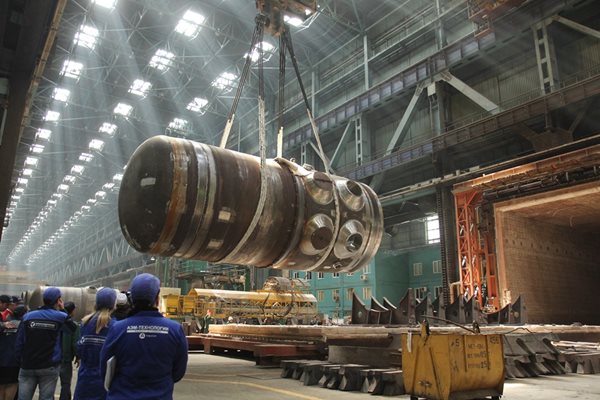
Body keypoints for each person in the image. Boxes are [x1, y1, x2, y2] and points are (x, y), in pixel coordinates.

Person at [100, 273, 188, 400]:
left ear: (132, 299)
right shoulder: (174, 330)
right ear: (157, 299)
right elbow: (178, 372)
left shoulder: (117, 329)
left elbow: (105, 368)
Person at [15, 287, 77, 400]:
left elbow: (19, 342)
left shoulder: (28, 316)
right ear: (58, 301)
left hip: (28, 365)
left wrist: (21, 361)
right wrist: (63, 310)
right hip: (49, 366)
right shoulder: (60, 317)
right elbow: (72, 329)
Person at [74, 288, 117, 400]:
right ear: (113, 305)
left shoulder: (85, 323)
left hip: (84, 379)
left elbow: (79, 349)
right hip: (104, 382)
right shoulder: (115, 326)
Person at [0, 305, 26, 400]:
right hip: (14, 362)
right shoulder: (23, 326)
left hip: (2, 360)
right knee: (12, 385)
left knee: (1, 386)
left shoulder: (4, 324)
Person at [59, 302, 80, 400]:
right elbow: (75, 343)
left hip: (52, 359)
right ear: (72, 311)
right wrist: (78, 356)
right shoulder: (73, 325)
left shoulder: (56, 322)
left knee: (49, 384)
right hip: (65, 360)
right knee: (66, 384)